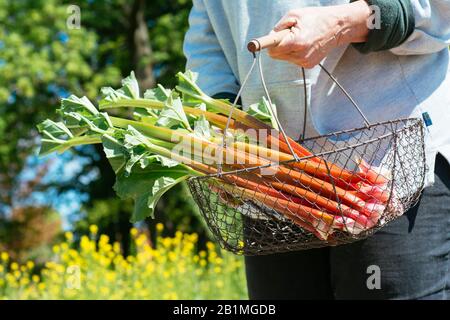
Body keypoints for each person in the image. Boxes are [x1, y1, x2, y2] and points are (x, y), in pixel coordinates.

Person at [183, 0, 450, 299]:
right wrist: (221, 118)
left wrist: (344, 23)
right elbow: (207, 39)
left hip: (387, 172)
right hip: (270, 186)